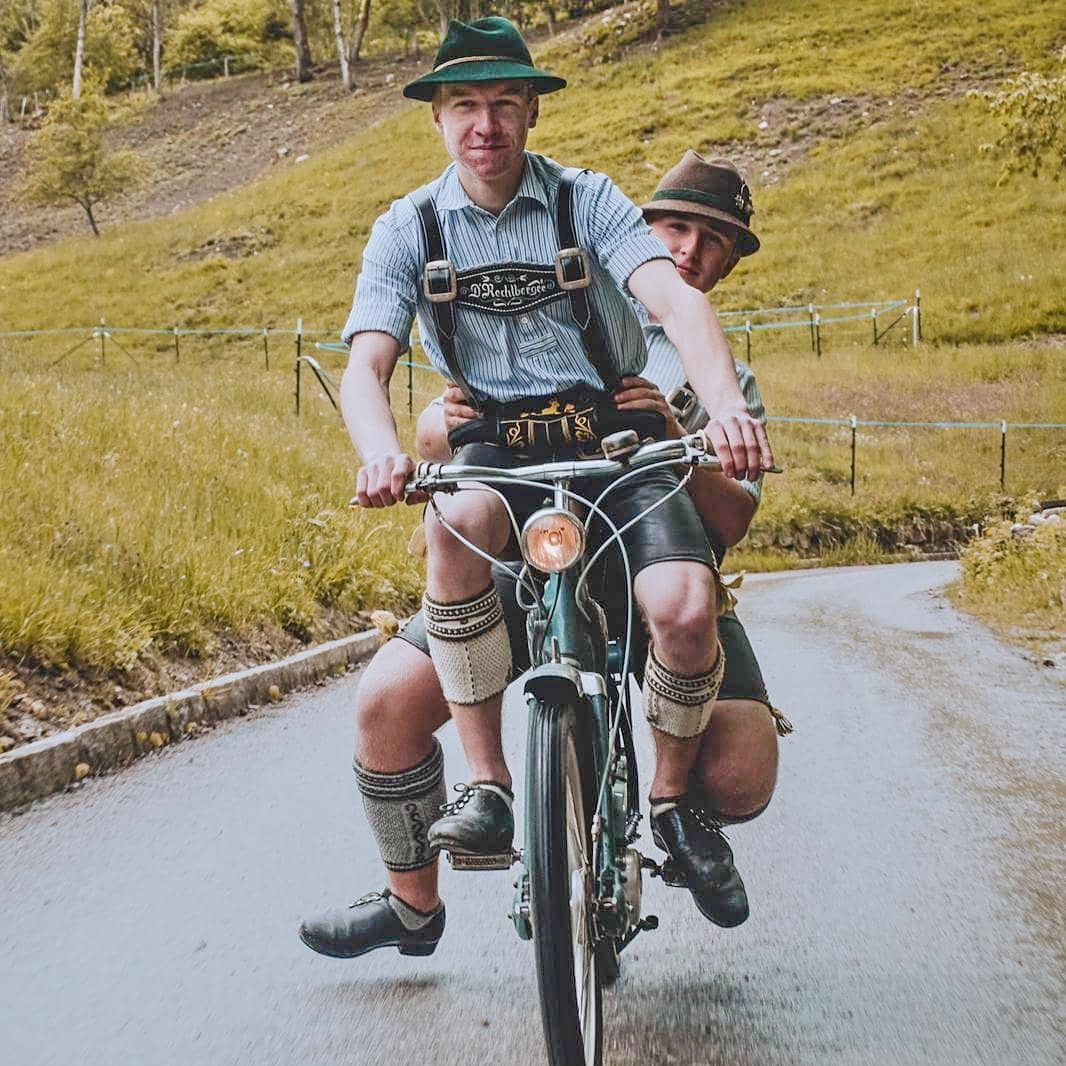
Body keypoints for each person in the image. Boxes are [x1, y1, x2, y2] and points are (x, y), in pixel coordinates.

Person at [299, 148, 786, 961]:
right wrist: (433, 428)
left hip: (647, 563)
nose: (689, 250)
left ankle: (676, 809)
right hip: (528, 556)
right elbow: (440, 439)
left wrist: (679, 431)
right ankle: (412, 904)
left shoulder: (720, 367)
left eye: (715, 242)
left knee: (742, 773)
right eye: (675, 227)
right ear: (637, 229)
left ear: (730, 264)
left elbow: (731, 520)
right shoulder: (558, 298)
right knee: (384, 703)